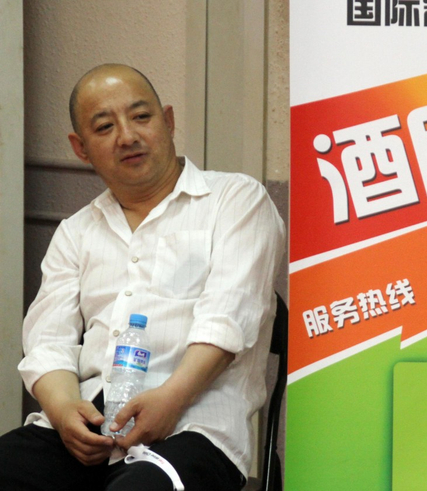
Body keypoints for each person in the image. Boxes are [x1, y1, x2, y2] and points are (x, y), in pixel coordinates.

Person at [0, 64, 285, 491]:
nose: (127, 136)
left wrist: (171, 399)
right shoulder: (76, 232)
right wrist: (62, 412)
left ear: (167, 121)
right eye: (104, 127)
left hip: (194, 427)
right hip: (88, 427)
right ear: (81, 148)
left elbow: (228, 319)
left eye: (141, 117)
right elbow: (47, 343)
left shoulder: (235, 200)